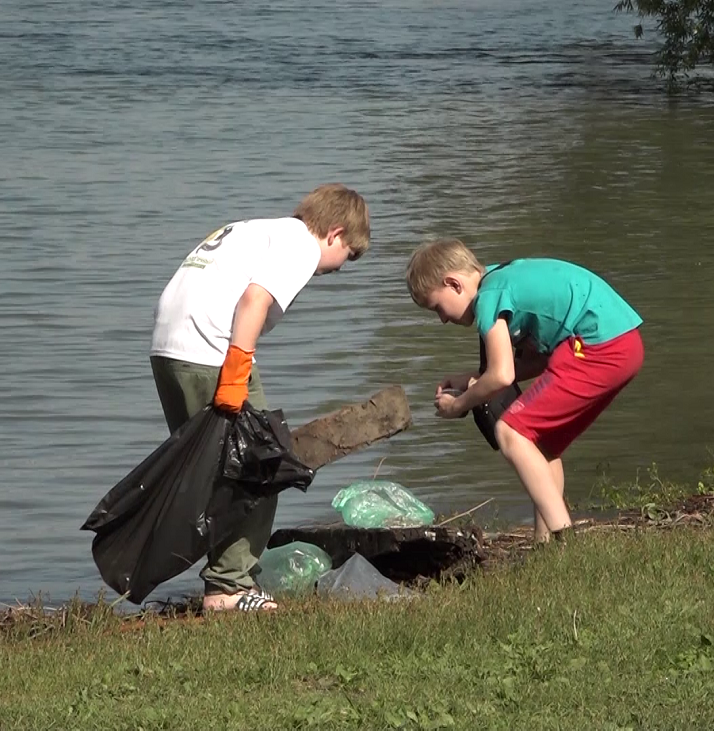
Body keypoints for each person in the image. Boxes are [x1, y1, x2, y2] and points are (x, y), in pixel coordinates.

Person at [149, 184, 370, 611]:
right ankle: (230, 590)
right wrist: (236, 372)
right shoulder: (300, 245)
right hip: (210, 351)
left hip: (168, 350)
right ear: (334, 233)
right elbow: (253, 301)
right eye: (349, 254)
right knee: (260, 465)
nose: (341, 267)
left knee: (215, 470)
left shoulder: (255, 229)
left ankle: (221, 582)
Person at [405, 239, 643, 543]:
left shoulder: (489, 297)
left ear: (453, 284)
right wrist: (474, 378)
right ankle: (544, 544)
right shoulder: (500, 279)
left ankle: (565, 540)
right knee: (539, 445)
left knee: (510, 432)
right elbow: (531, 363)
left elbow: (502, 376)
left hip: (599, 345)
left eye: (436, 307)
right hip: (623, 342)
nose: (441, 319)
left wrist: (458, 405)